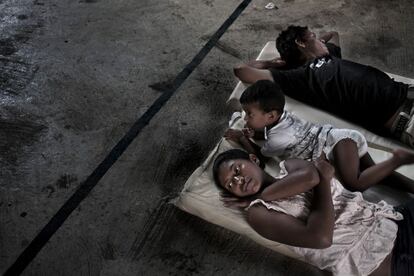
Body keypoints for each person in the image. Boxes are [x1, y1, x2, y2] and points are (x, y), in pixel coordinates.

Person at [212, 148, 414, 276]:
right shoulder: (258, 214)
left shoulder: (289, 166)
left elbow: (310, 177)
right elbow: (321, 238)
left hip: (393, 219)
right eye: (231, 184)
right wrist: (325, 181)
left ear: (253, 159)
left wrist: (265, 193)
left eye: (237, 170)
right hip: (386, 258)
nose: (238, 180)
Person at [233, 25, 414, 148]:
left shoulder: (329, 56)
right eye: (314, 37)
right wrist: (274, 63)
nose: (321, 41)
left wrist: (314, 45)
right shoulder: (298, 77)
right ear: (301, 43)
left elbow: (333, 34)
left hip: (408, 93)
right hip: (405, 119)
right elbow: (242, 70)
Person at [224, 80, 414, 193]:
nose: (246, 119)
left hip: (336, 144)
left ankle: (397, 159)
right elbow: (267, 131)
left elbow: (262, 157)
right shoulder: (282, 117)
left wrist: (243, 139)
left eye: (249, 115)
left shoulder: (276, 140)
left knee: (355, 184)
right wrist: (255, 131)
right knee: (378, 175)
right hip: (340, 139)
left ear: (271, 115)